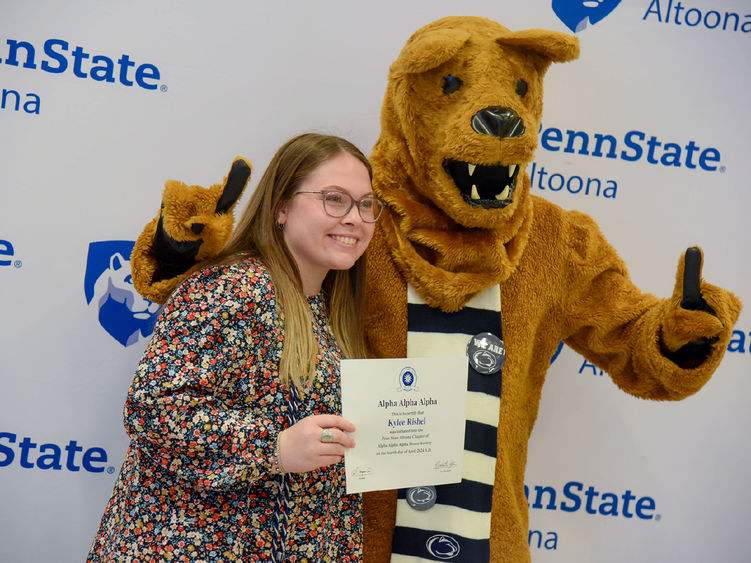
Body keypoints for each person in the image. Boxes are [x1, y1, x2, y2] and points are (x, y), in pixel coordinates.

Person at [87, 132, 383, 562]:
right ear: (281, 207)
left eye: (367, 204)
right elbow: (154, 408)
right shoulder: (233, 287)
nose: (355, 218)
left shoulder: (329, 312)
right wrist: (274, 447)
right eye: (334, 199)